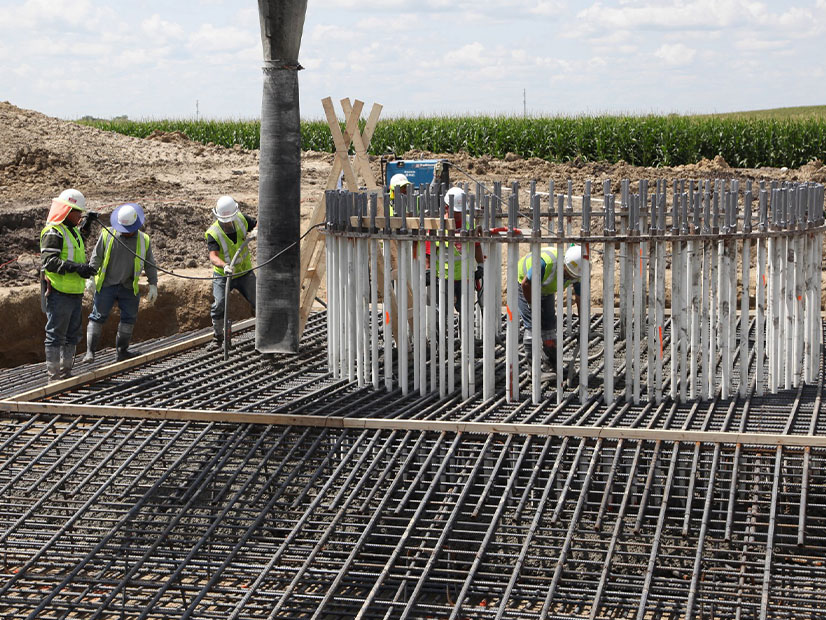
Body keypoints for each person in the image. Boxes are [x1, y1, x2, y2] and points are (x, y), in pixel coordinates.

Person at [83, 203, 158, 362]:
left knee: (129, 318)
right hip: (107, 285)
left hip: (128, 287)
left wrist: (153, 284)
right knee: (97, 316)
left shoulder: (144, 240)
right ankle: (90, 352)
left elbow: (150, 263)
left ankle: (122, 351)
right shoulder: (107, 234)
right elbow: (96, 257)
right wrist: (90, 276)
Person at [40, 188, 98, 381]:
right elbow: (49, 261)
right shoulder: (53, 231)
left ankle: (66, 373)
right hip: (59, 292)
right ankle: (54, 376)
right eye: (78, 212)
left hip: (74, 292)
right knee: (56, 335)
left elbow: (78, 240)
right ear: (67, 211)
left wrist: (88, 223)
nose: (80, 216)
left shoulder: (71, 231)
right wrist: (77, 268)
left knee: (72, 335)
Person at [517, 245, 583, 368]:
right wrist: (533, 306)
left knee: (549, 327)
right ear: (564, 264)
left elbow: (580, 297)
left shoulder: (577, 271)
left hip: (545, 288)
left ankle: (551, 364)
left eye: (572, 277)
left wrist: (582, 324)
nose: (569, 278)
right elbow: (526, 284)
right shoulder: (546, 264)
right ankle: (533, 370)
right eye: (568, 274)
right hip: (524, 283)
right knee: (533, 325)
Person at [206, 195, 257, 349]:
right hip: (224, 275)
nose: (228, 222)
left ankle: (264, 334)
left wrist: (256, 230)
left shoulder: (241, 219)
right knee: (219, 303)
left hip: (244, 273)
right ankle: (218, 338)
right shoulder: (213, 232)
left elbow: (256, 223)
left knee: (260, 301)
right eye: (224, 220)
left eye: (230, 219)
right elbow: (213, 257)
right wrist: (224, 266)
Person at [431, 187, 485, 313]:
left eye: (460, 211)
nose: (458, 214)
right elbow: (429, 250)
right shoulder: (438, 225)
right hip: (444, 277)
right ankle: (441, 333)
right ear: (446, 207)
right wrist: (429, 271)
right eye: (456, 211)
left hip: (464, 277)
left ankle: (465, 333)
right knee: (442, 312)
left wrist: (481, 265)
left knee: (465, 311)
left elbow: (476, 246)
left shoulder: (468, 224)